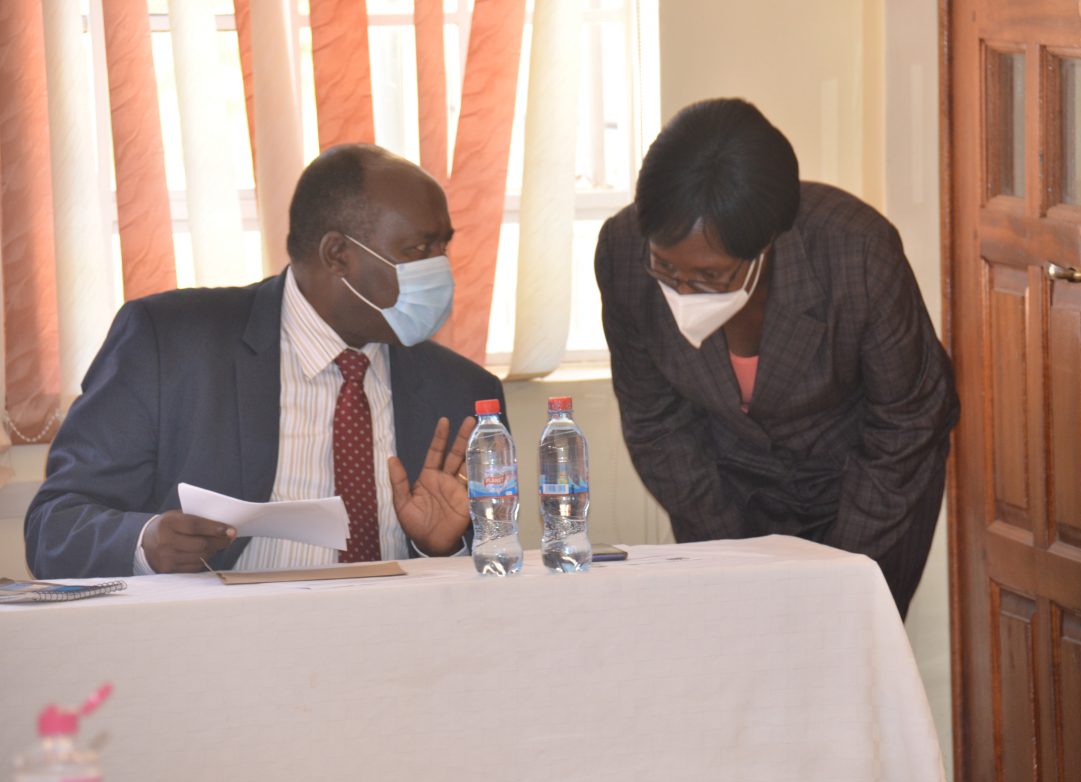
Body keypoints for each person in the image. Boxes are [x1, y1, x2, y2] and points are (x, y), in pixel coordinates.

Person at [25, 144, 504, 578]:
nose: (440, 268)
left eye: (443, 247)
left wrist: (438, 549)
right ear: (338, 254)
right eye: (418, 250)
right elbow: (55, 526)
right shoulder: (169, 343)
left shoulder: (464, 392)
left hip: (398, 640)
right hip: (220, 638)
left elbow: (495, 564)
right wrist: (146, 543)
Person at [594, 99, 959, 617]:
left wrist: (841, 574)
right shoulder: (620, 253)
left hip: (862, 483)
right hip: (724, 488)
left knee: (842, 640)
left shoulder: (857, 253)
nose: (682, 290)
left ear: (766, 244)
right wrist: (732, 560)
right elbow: (655, 423)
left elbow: (907, 423)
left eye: (710, 276)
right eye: (666, 268)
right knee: (739, 636)